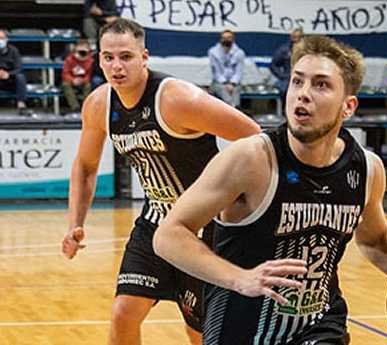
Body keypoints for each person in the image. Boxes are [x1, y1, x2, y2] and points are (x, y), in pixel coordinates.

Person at [153, 35, 387, 344]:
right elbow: (168, 235)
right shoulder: (251, 159)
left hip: (320, 323)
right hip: (242, 330)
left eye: (321, 85)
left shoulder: (366, 169)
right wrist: (241, 279)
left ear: (349, 106)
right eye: (297, 82)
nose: (303, 94)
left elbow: (376, 240)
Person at [60, 19, 260, 345]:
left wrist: (247, 200)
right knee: (123, 312)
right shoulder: (98, 105)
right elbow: (84, 167)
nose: (117, 66)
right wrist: (75, 223)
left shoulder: (178, 99)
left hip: (204, 227)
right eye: (108, 57)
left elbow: (255, 136)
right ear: (98, 60)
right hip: (155, 223)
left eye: (126, 56)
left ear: (144, 57)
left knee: (199, 333)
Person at [208, 29, 245, 108]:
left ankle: (234, 109)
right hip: (218, 82)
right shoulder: (213, 52)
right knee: (224, 90)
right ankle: (231, 108)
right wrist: (225, 83)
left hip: (234, 83)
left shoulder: (240, 53)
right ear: (221, 39)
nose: (226, 40)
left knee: (235, 90)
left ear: (233, 39)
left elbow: (239, 72)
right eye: (224, 38)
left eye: (229, 37)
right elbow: (216, 72)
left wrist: (232, 83)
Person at [0, 28, 30, 115]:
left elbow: (19, 68)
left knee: (20, 76)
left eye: (1, 38)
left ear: (6, 39)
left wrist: (8, 74)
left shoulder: (13, 50)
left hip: (10, 80)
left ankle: (21, 106)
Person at [270, 28, 303, 100]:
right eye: (293, 37)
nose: (295, 40)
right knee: (284, 90)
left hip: (303, 78)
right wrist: (282, 75)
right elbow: (273, 65)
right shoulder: (284, 50)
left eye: (298, 37)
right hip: (287, 79)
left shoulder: (307, 51)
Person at [62, 39, 94, 113]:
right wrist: (72, 80)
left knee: (88, 85)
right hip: (71, 80)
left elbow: (90, 74)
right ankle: (75, 107)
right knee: (65, 85)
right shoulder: (69, 60)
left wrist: (83, 80)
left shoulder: (91, 61)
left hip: (84, 80)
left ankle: (85, 106)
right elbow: (65, 73)